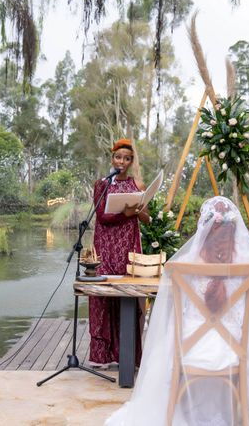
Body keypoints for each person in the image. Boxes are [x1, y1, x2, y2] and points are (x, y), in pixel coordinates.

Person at [105, 197, 249, 426]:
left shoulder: (185, 263)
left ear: (203, 227)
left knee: (169, 337)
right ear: (235, 230)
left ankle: (173, 414)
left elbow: (171, 314)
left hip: (189, 351)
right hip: (233, 353)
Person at [88, 138, 151, 367]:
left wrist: (138, 210)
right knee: (102, 297)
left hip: (127, 247)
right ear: (112, 158)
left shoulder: (138, 186)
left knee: (128, 297)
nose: (122, 161)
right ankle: (102, 356)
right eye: (118, 157)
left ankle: (128, 356)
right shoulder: (102, 184)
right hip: (105, 246)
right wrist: (125, 213)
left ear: (132, 161)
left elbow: (146, 218)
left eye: (127, 158)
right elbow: (102, 218)